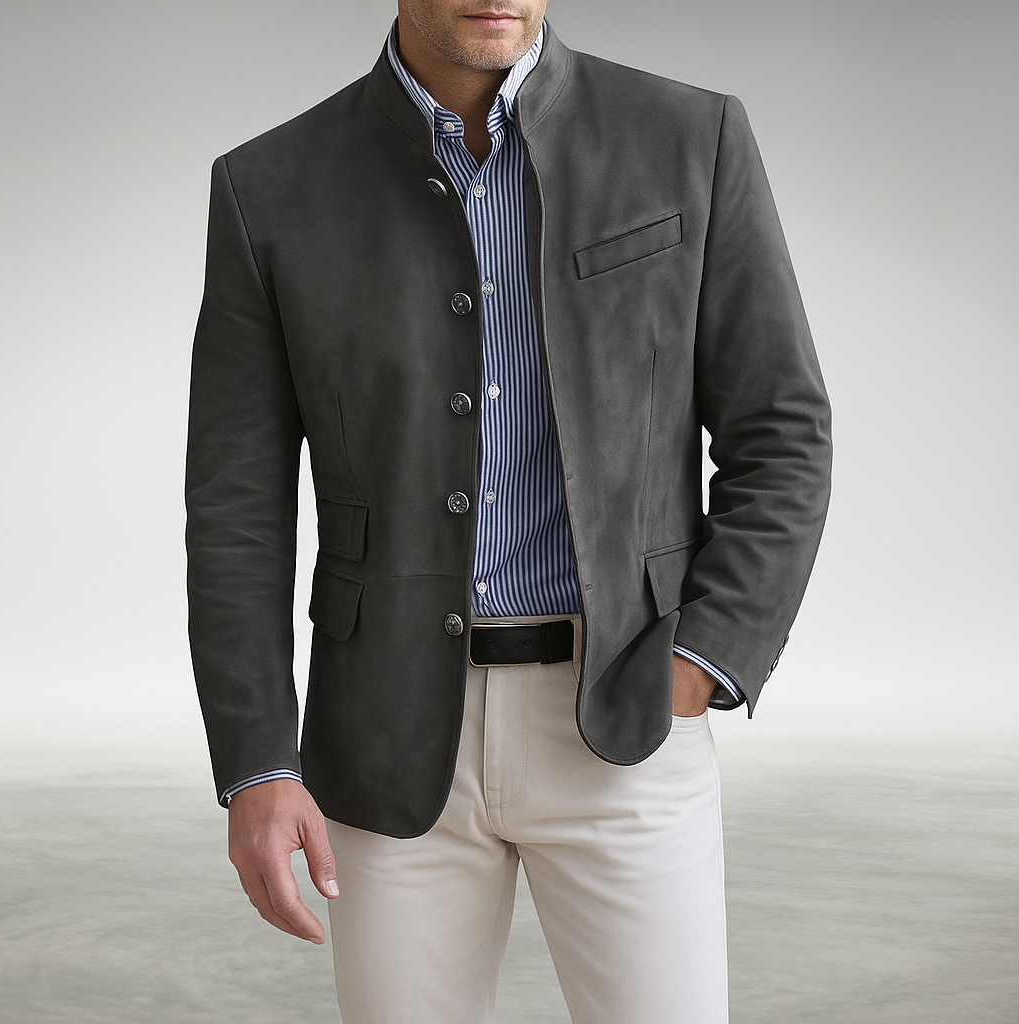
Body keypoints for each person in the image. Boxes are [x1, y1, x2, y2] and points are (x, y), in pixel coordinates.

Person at [185, 2, 832, 1021]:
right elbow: (237, 506)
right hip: (386, 742)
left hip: (624, 716)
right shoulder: (269, 185)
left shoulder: (689, 137)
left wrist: (702, 661)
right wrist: (257, 762)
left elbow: (782, 427)